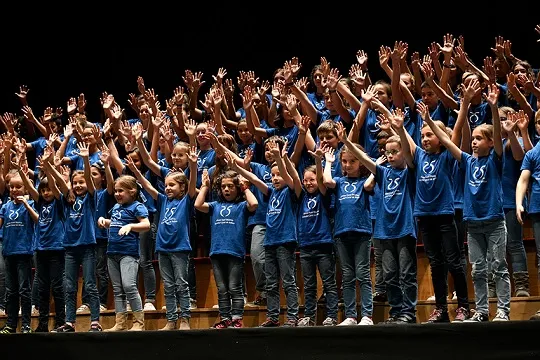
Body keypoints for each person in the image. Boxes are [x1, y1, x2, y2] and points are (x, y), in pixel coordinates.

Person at [423, 82, 511, 322]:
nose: (473, 142)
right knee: (478, 269)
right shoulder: (467, 161)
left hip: (493, 221)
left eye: (479, 139)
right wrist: (429, 122)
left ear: (491, 142)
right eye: (472, 138)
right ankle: (482, 311)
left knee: (499, 267)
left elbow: (496, 133)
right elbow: (448, 140)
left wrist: (493, 106)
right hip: (472, 223)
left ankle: (503, 310)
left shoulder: (495, 159)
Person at [126, 146, 198, 330]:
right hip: (163, 248)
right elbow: (148, 187)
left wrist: (194, 165)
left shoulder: (186, 200)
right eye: (166, 185)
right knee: (168, 285)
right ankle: (172, 319)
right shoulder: (163, 200)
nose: (167, 188)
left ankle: (185, 319)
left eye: (172, 185)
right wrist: (135, 171)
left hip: (180, 248)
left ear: (181, 187)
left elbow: (192, 186)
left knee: (181, 284)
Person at [232, 140, 300, 327]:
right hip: (270, 241)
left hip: (285, 241)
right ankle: (273, 317)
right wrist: (236, 168)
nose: (276, 178)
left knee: (288, 281)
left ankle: (293, 317)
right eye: (273, 175)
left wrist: (279, 158)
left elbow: (291, 176)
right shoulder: (271, 193)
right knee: (271, 283)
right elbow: (255, 180)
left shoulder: (291, 192)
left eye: (279, 175)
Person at [195, 167, 257, 328]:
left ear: (237, 188)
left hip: (235, 251)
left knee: (234, 287)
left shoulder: (242, 205)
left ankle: (237, 318)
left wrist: (245, 187)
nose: (227, 189)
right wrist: (205, 186)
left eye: (230, 186)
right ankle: (225, 318)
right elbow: (198, 204)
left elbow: (254, 203)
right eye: (223, 187)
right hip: (216, 251)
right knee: (222, 289)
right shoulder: (215, 205)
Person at [323, 141, 374, 326]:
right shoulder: (339, 181)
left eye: (352, 161)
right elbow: (327, 181)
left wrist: (364, 158)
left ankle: (367, 315)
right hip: (341, 233)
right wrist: (329, 162)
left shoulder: (364, 182)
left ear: (360, 162)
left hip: (361, 232)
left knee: (363, 274)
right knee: (347, 276)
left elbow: (371, 182)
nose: (347, 165)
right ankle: (351, 315)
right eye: (344, 161)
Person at [0, 168, 38, 334]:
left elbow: (38, 220)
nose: (14, 190)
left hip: (24, 253)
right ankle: (10, 324)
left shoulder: (30, 204)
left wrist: (25, 204)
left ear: (25, 188)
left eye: (18, 187)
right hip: (8, 253)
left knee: (24, 290)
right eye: (11, 187)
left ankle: (26, 324)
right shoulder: (6, 207)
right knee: (11, 291)